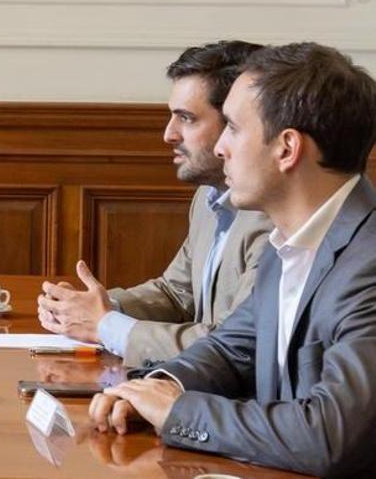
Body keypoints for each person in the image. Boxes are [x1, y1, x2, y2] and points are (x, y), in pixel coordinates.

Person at [89, 43, 376, 476]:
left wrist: (180, 413)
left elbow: (331, 435)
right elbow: (233, 348)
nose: (220, 147)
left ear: (287, 149)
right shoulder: (290, 240)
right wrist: (154, 388)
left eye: (234, 129)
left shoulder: (368, 261)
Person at [37, 41, 271, 365]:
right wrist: (96, 307)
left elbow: (230, 345)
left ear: (237, 122)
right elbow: (176, 292)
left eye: (186, 118)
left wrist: (106, 326)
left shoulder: (272, 217)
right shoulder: (210, 195)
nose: (168, 134)